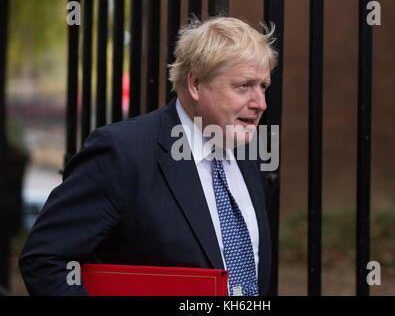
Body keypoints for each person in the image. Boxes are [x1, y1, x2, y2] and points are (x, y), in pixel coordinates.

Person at [19, 16, 278, 296]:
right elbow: (45, 260)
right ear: (196, 84)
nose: (260, 103)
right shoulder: (121, 152)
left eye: (263, 86)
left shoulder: (249, 154)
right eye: (244, 86)